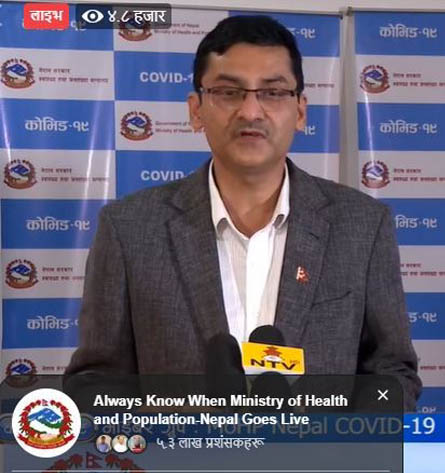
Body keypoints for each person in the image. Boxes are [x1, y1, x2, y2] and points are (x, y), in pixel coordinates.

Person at [64, 16, 421, 409]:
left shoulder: (363, 225)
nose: (251, 111)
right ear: (196, 110)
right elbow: (95, 383)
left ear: (301, 111)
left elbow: (393, 373)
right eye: (228, 92)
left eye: (273, 92)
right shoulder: (130, 228)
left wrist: (344, 434)